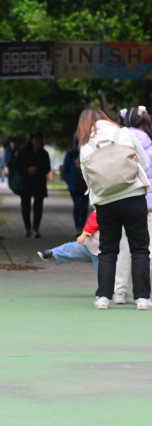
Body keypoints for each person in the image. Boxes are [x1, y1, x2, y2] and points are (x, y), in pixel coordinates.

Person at [77, 107, 152, 310]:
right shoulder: (124, 133)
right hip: (133, 196)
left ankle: (103, 297)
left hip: (105, 201)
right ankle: (143, 298)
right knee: (140, 249)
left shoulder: (86, 144)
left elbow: (87, 178)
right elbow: (144, 164)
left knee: (108, 250)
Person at [112, 106, 152, 305]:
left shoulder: (118, 141)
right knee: (146, 250)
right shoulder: (150, 144)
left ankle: (120, 292)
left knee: (124, 249)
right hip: (148, 204)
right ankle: (144, 294)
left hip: (124, 200)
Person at [15, 132, 51, 238]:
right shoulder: (23, 152)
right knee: (25, 206)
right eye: (35, 139)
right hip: (26, 182)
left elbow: (47, 168)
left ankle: (36, 228)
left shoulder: (44, 153)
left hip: (39, 182)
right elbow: (17, 166)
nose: (37, 142)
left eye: (39, 139)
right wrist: (27, 170)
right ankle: (27, 227)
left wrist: (37, 170)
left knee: (38, 206)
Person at [62, 133, 89, 236]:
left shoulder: (88, 152)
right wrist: (69, 181)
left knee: (84, 206)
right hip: (75, 184)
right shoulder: (70, 154)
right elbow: (65, 170)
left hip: (85, 184)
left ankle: (81, 226)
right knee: (77, 205)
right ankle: (78, 226)